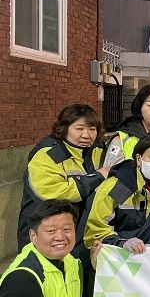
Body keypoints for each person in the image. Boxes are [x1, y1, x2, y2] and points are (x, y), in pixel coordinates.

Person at [18, 104, 108, 251]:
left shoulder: (96, 151)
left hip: (76, 234)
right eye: (79, 128)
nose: (86, 135)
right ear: (64, 128)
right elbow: (54, 192)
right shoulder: (48, 154)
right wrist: (96, 177)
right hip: (44, 234)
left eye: (92, 129)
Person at [81, 134, 150, 253]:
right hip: (117, 258)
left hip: (149, 258)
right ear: (139, 159)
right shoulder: (118, 187)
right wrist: (122, 243)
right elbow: (95, 231)